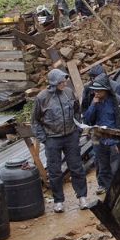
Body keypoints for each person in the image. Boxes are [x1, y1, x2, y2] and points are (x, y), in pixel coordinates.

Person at [32, 69, 89, 212]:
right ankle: (58, 201)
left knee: (76, 167)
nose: (64, 84)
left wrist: (78, 129)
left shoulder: (69, 92)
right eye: (61, 82)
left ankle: (82, 197)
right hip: (52, 139)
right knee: (54, 171)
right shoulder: (42, 98)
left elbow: (77, 110)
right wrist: (43, 138)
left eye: (65, 81)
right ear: (53, 82)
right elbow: (35, 121)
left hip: (70, 136)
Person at [82, 72, 120, 195]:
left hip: (113, 139)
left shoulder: (117, 102)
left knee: (116, 166)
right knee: (102, 165)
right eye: (95, 91)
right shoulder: (95, 102)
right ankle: (104, 187)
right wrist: (93, 104)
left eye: (99, 91)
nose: (96, 93)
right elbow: (87, 119)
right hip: (98, 138)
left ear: (106, 90)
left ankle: (118, 190)